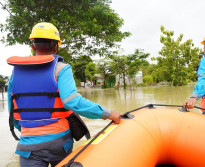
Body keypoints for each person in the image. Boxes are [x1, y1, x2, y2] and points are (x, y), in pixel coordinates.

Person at [7, 22, 121, 167]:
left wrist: (27, 131)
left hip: (28, 147)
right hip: (59, 144)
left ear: (33, 46)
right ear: (55, 47)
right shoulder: (61, 68)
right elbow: (72, 102)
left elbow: (13, 110)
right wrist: (109, 113)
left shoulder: (15, 73)